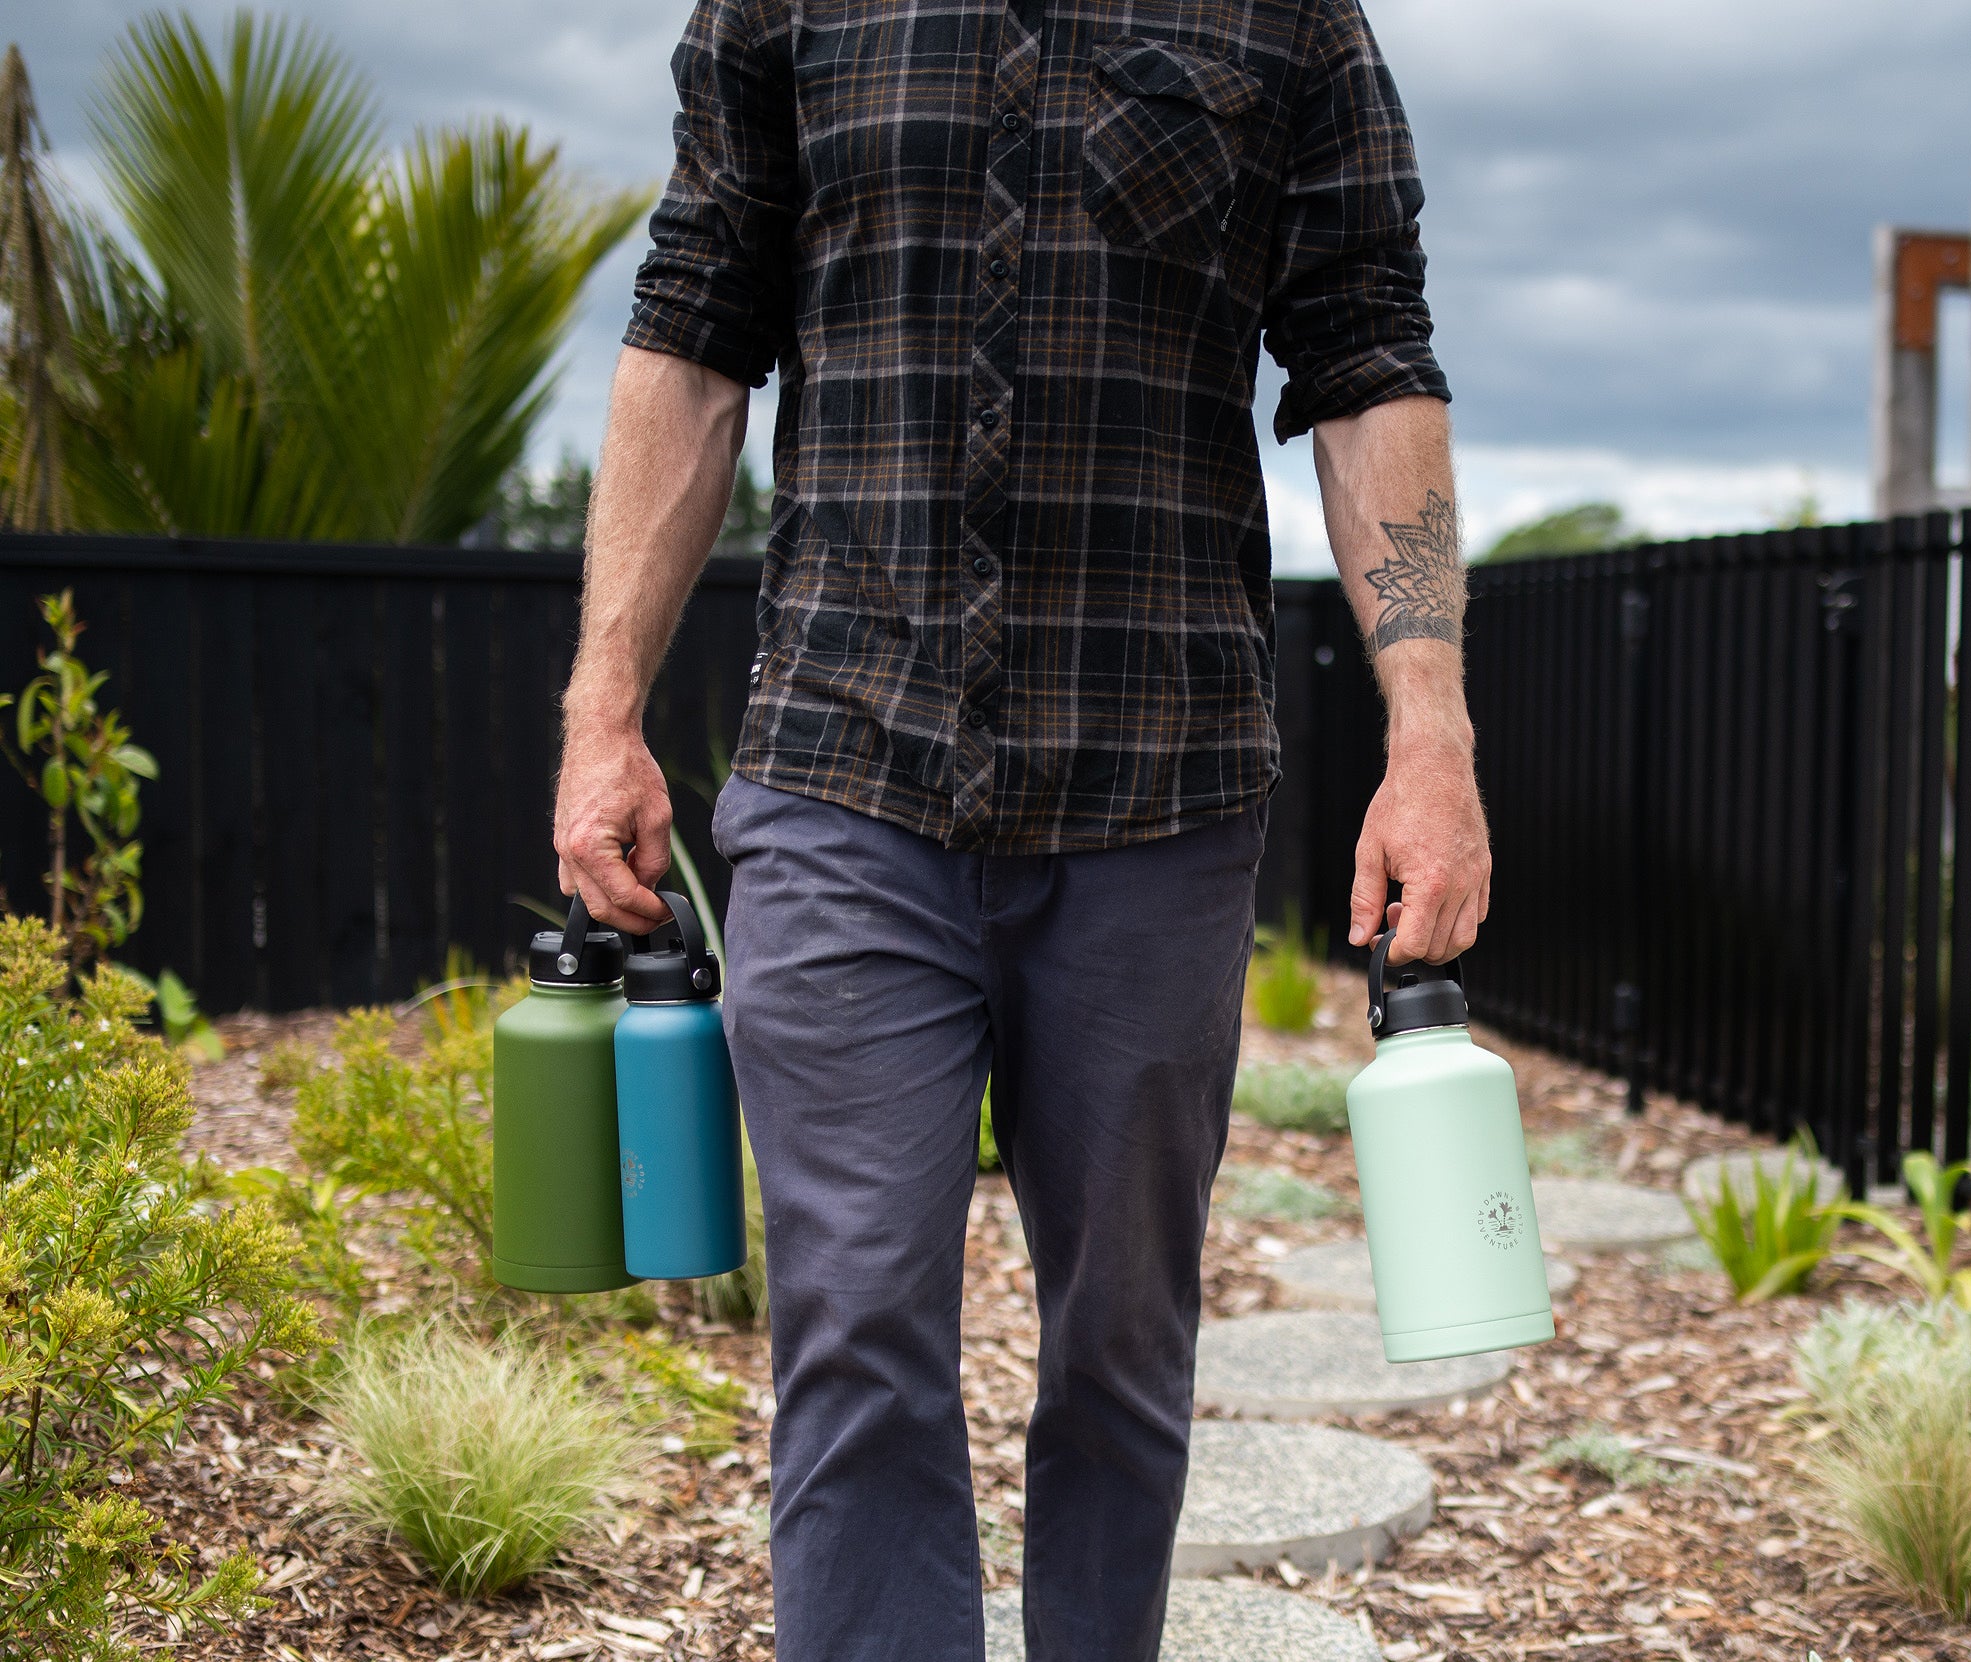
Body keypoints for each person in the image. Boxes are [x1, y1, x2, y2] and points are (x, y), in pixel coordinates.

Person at [551, 0, 1486, 1655]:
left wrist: (1431, 730)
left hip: (1159, 791)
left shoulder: (1287, 22)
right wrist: (600, 708)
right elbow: (693, 332)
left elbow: (1367, 357)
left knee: (1123, 1339)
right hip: (847, 771)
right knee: (853, 1326)